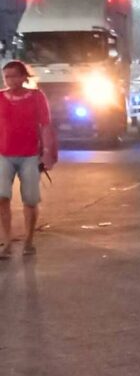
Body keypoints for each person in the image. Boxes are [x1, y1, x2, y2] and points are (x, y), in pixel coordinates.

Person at [0, 61, 57, 258]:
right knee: (2, 198)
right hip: (4, 155)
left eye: (14, 76)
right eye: (6, 76)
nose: (10, 80)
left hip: (30, 155)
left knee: (30, 200)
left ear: (24, 77)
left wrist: (47, 152)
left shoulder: (36, 97)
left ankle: (29, 241)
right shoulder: (0, 97)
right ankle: (7, 242)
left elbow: (45, 125)